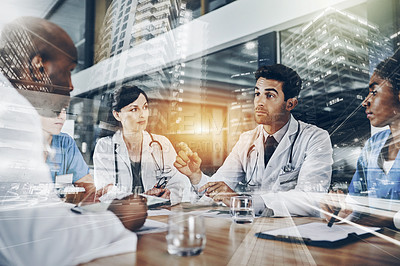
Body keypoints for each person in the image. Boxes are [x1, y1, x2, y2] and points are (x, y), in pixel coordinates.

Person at [0, 17, 147, 265]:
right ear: (38, 68)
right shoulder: (12, 114)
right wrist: (117, 219)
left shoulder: (58, 139)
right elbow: (40, 246)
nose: (70, 85)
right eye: (68, 70)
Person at [174, 64, 333, 217]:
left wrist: (244, 202)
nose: (259, 102)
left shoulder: (315, 138)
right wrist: (195, 175)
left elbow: (310, 197)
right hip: (252, 228)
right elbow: (221, 187)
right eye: (257, 94)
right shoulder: (246, 140)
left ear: (290, 104)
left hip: (296, 233)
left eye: (269, 95)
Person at [321, 54, 400, 229]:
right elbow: (357, 202)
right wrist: (342, 210)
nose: (365, 102)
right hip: (371, 247)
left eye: (374, 92)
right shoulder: (374, 145)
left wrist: (381, 220)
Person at [93, 85, 192, 204]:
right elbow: (105, 191)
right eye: (134, 109)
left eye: (145, 107)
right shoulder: (104, 146)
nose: (142, 114)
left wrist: (168, 195)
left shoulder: (161, 144)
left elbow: (179, 183)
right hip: (122, 216)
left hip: (160, 214)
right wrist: (142, 199)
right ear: (117, 115)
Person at [40, 106, 96, 203]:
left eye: (64, 110)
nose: (62, 116)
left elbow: (88, 187)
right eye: (55, 110)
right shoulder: (15, 141)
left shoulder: (65, 142)